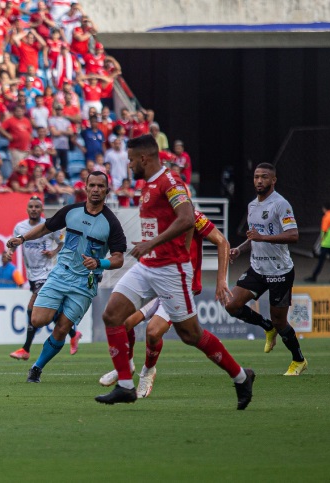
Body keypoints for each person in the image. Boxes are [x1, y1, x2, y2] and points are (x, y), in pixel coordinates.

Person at [96, 135, 254, 409]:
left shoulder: (170, 183)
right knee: (112, 315)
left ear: (144, 158)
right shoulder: (149, 184)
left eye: (131, 159)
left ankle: (240, 377)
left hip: (171, 270)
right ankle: (125, 385)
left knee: (190, 335)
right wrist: (149, 246)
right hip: (147, 266)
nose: (129, 165)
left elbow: (185, 218)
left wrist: (151, 243)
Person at [6, 171, 126, 383]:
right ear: (85, 188)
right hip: (61, 274)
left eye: (101, 186)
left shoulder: (111, 223)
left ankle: (36, 368)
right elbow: (45, 228)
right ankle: (61, 311)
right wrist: (22, 238)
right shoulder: (71, 211)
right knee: (37, 319)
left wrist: (100, 263)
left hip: (84, 283)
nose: (96, 189)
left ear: (107, 191)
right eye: (93, 185)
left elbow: (118, 258)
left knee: (62, 329)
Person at [99, 208, 232, 398]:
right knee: (124, 322)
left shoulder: (191, 216)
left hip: (179, 285)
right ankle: (126, 367)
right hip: (156, 278)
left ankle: (147, 371)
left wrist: (221, 280)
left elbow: (222, 241)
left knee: (153, 332)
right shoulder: (160, 216)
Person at [225, 163, 307, 376]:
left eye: (264, 177)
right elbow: (254, 237)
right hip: (257, 268)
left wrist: (263, 238)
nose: (259, 181)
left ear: (273, 180)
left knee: (281, 321)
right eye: (256, 177)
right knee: (231, 304)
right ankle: (266, 326)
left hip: (279, 271)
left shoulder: (281, 204)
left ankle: (298, 360)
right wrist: (239, 250)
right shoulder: (253, 206)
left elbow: (293, 235)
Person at [7, 196, 83, 360]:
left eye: (36, 207)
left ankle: (26, 349)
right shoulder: (20, 227)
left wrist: (54, 252)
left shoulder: (49, 226)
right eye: (31, 206)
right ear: (27, 209)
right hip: (32, 275)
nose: (34, 209)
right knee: (51, 311)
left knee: (31, 307)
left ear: (41, 210)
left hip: (47, 272)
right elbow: (15, 244)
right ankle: (73, 333)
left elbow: (62, 242)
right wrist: (9, 251)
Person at [305, 203, 330, 283]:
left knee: (321, 260)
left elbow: (324, 230)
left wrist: (321, 241)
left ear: (324, 209)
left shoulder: (326, 217)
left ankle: (314, 277)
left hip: (326, 243)